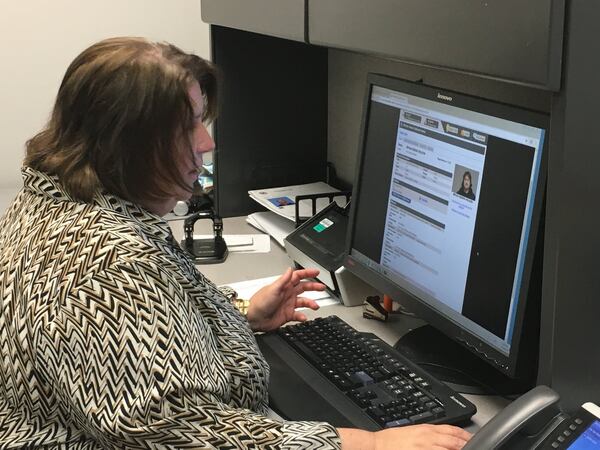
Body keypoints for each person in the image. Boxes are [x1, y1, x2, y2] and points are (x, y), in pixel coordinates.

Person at [0, 37, 471, 449]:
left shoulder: (55, 201)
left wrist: (240, 315)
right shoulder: (106, 263)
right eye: (188, 127)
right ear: (126, 142)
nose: (207, 143)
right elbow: (179, 433)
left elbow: (131, 332)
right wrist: (366, 444)